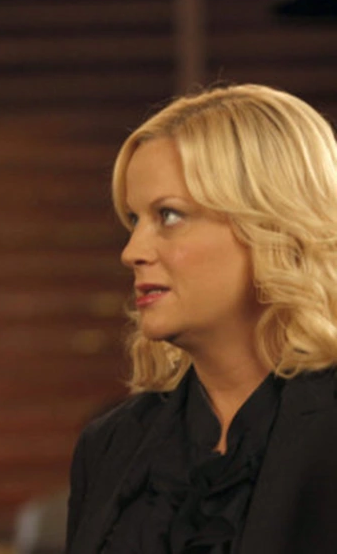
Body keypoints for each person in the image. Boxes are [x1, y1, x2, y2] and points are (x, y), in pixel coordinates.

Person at [65, 84, 337, 553]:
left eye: (169, 215)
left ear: (270, 226)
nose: (132, 251)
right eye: (134, 220)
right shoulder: (108, 446)